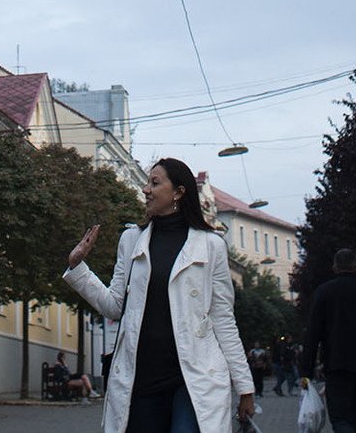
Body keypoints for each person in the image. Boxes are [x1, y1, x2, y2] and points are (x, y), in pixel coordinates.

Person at [63, 157, 255, 433]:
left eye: (155, 183)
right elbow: (115, 306)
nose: (145, 190)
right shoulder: (131, 240)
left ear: (178, 192)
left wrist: (245, 386)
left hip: (193, 379)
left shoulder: (211, 246)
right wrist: (77, 268)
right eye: (146, 183)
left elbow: (223, 320)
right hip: (141, 378)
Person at [298, 248, 356, 433]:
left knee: (341, 418)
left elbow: (312, 334)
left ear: (334, 267)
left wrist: (306, 371)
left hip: (336, 365)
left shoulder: (324, 293)